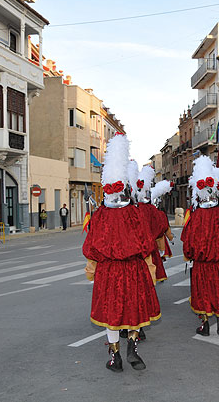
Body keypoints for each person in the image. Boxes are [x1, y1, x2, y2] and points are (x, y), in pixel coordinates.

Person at [82, 133, 160, 372]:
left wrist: (91, 269)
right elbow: (147, 243)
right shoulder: (135, 213)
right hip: (133, 269)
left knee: (111, 315)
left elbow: (91, 247)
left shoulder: (100, 215)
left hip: (108, 272)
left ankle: (115, 357)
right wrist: (150, 268)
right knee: (134, 311)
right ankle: (133, 348)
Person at [181, 156, 219, 336]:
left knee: (203, 293)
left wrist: (189, 255)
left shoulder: (194, 215)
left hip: (202, 264)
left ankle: (205, 325)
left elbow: (188, 241)